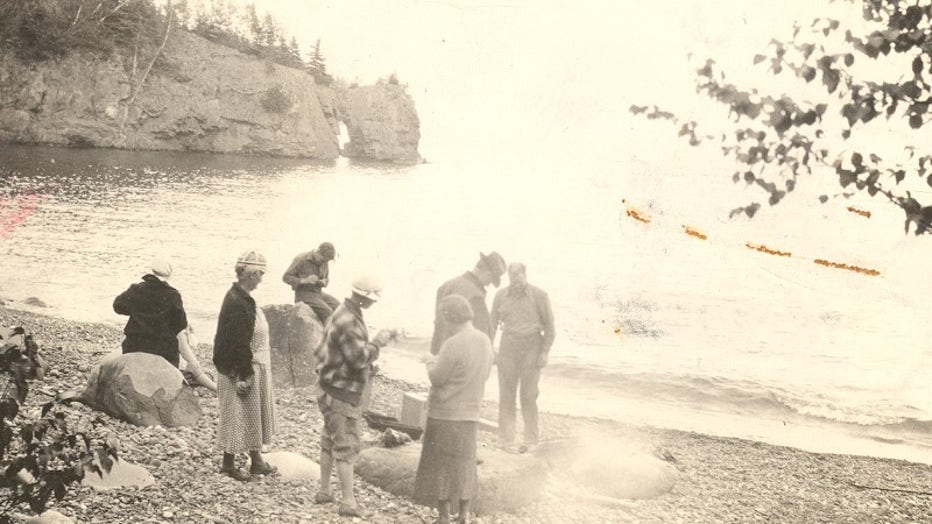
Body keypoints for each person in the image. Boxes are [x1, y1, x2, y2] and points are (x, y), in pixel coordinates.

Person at [314, 275, 396, 518]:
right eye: (373, 299)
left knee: (329, 438)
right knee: (346, 444)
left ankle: (325, 490)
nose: (374, 303)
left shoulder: (340, 311)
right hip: (341, 393)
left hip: (327, 387)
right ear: (365, 299)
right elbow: (358, 358)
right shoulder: (350, 321)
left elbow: (338, 354)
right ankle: (348, 501)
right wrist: (377, 344)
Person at [414, 295, 494, 524]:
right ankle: (464, 514)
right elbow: (485, 373)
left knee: (442, 464)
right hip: (470, 414)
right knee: (465, 462)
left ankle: (443, 516)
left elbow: (437, 378)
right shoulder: (484, 340)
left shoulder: (452, 343)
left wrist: (430, 361)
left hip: (445, 414)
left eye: (445, 318)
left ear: (450, 318)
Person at [212, 250, 278, 481]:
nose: (262, 278)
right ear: (250, 275)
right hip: (241, 366)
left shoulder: (239, 297)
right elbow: (239, 342)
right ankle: (228, 465)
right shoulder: (239, 302)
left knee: (252, 413)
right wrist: (244, 374)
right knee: (236, 413)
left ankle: (256, 460)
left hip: (250, 363)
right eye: (260, 274)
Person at [489, 263, 555, 452]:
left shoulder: (539, 295)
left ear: (525, 275)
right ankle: (506, 438)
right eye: (512, 279)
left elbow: (550, 327)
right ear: (508, 278)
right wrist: (490, 349)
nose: (516, 284)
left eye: (519, 279)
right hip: (508, 346)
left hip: (532, 346)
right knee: (506, 394)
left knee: (528, 395)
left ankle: (531, 440)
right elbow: (491, 325)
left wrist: (544, 352)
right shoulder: (501, 295)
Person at [113, 258, 188, 367]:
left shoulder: (136, 289)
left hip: (134, 347)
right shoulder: (173, 295)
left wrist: (136, 311)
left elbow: (117, 307)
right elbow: (180, 326)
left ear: (153, 271)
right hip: (163, 352)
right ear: (169, 275)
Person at [429, 251, 506, 355]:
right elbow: (480, 334)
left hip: (440, 353)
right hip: (461, 357)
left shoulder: (447, 285)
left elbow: (439, 325)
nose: (488, 284)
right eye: (490, 279)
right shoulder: (476, 295)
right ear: (487, 272)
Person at [282, 241, 340, 323]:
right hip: (303, 294)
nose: (324, 263)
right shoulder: (301, 259)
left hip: (318, 293)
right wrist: (304, 281)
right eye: (322, 260)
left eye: (326, 261)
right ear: (318, 252)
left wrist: (322, 282)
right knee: (328, 312)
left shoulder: (324, 261)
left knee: (340, 307)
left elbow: (326, 279)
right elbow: (286, 277)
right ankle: (328, 335)